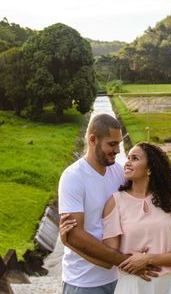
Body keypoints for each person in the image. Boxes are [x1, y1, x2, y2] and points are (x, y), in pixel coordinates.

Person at [58, 113, 141, 294]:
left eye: (119, 144)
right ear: (93, 140)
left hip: (117, 278)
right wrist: (123, 261)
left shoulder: (118, 172)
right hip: (83, 282)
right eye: (112, 144)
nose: (118, 150)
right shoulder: (73, 177)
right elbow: (74, 234)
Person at [101, 142, 171, 293]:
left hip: (170, 285)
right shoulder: (115, 202)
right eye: (128, 158)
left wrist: (148, 259)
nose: (127, 163)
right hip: (134, 285)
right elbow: (110, 254)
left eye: (135, 158)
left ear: (150, 168)